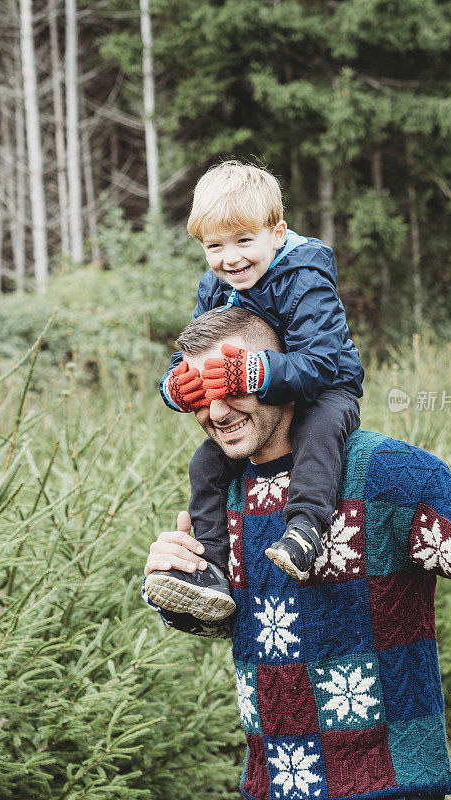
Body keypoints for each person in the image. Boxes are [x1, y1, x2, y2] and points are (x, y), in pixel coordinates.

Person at [143, 308, 451, 800]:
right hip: (274, 783)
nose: (216, 413)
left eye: (232, 386)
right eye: (200, 395)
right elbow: (240, 625)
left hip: (390, 781)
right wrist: (175, 580)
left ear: (280, 376)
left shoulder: (381, 470)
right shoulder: (225, 495)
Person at [147, 161, 364, 622]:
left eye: (244, 241)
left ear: (277, 234)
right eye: (215, 246)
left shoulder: (304, 276)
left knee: (319, 431)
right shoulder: (216, 285)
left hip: (328, 388)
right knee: (205, 462)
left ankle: (305, 528)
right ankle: (209, 567)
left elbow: (320, 362)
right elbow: (194, 345)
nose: (230, 259)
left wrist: (253, 374)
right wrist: (175, 385)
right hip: (262, 396)